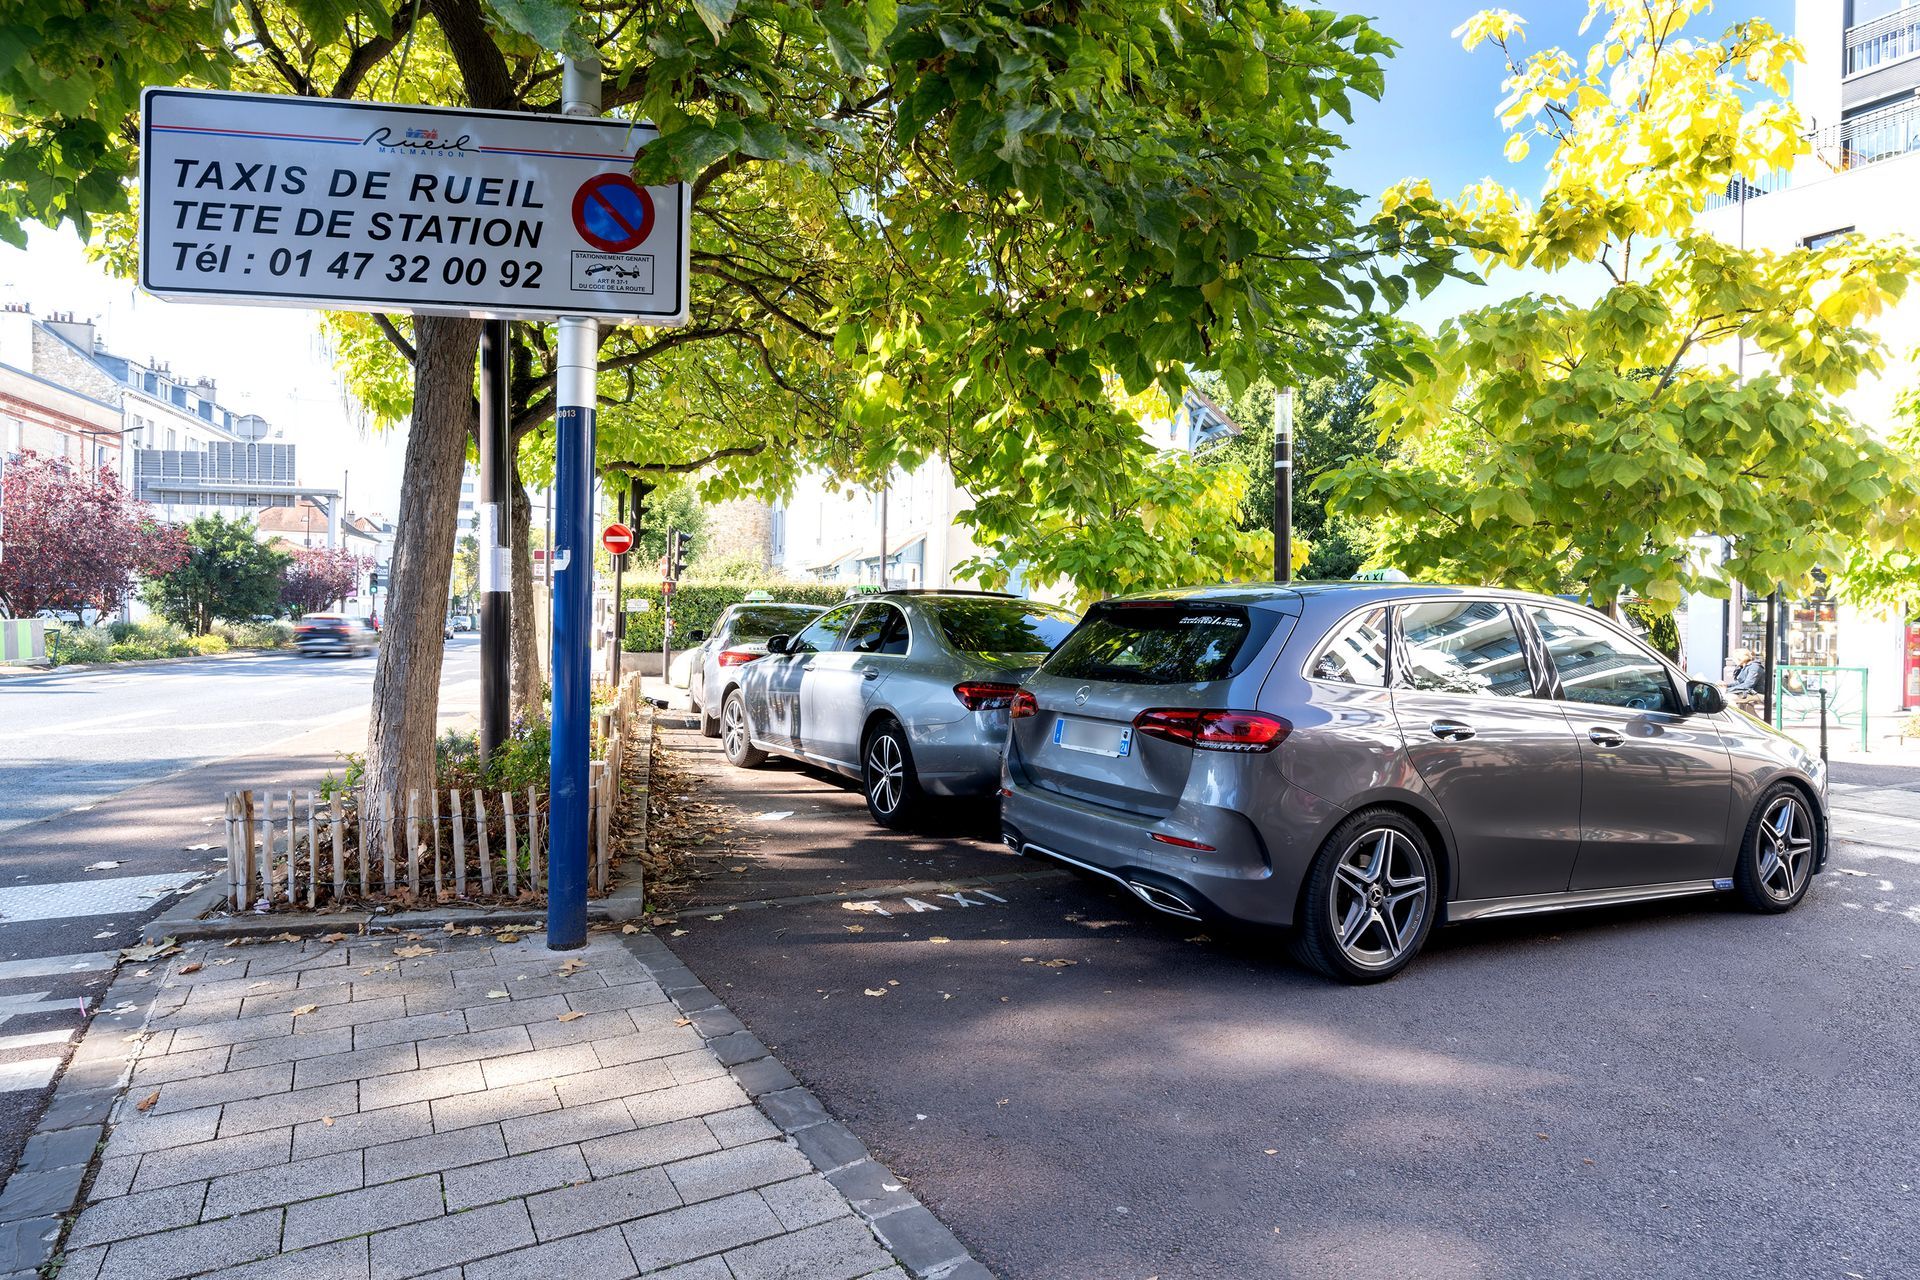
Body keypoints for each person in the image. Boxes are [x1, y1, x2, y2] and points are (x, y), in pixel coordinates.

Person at [1727, 647, 1765, 713]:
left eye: (1734, 658)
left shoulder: (1755, 667)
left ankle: (1737, 716)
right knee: (1725, 696)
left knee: (1728, 698)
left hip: (1758, 693)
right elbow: (1739, 682)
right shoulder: (1744, 667)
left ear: (1740, 658)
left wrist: (1729, 690)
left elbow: (1748, 684)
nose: (1734, 660)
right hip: (1749, 692)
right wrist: (1726, 685)